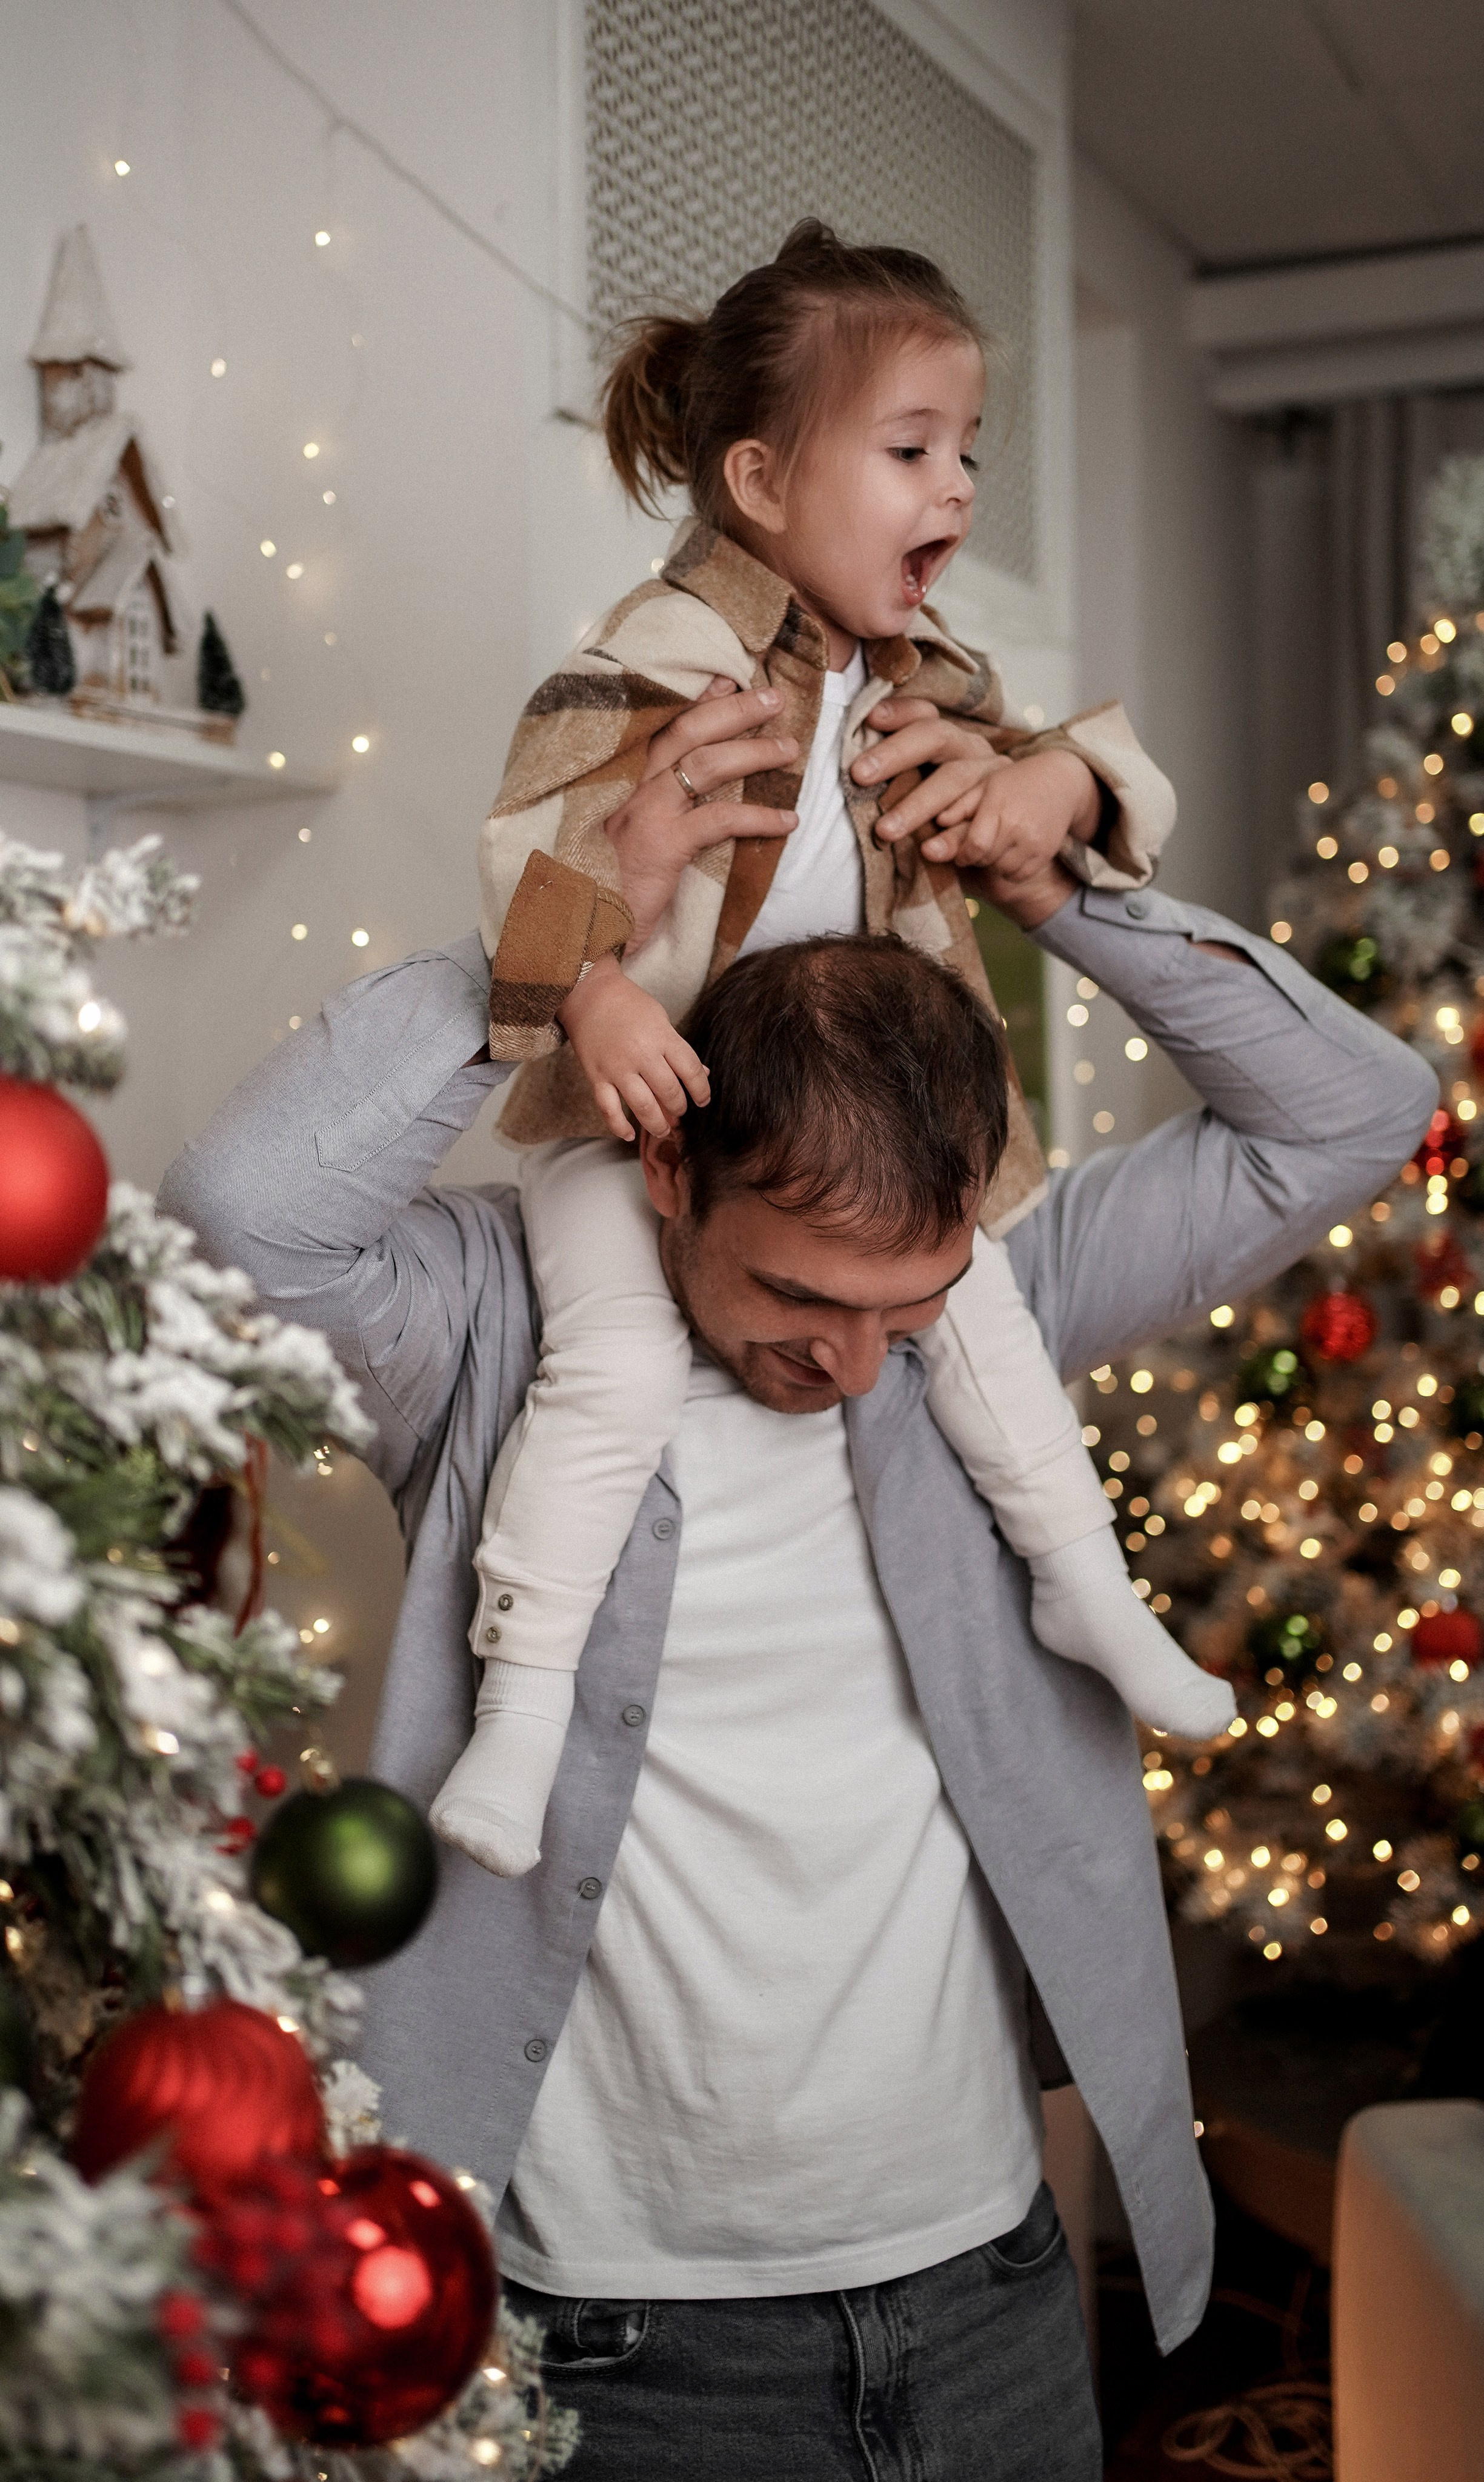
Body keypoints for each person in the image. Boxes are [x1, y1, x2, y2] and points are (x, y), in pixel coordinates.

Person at [159, 831, 1435, 2480]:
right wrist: (555, 939)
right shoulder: (492, 1322)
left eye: (901, 1315)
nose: (847, 1367)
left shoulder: (1003, 1314)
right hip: (603, 2336)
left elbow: (1358, 1107)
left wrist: (1057, 892)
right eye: (796, 1298)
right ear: (669, 1167)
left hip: (988, 2290)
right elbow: (230, 1225)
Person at [440, 222, 1230, 1883]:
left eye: (965, 454)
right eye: (908, 450)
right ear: (760, 478)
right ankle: (520, 1700)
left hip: (859, 1126)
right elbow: (528, 853)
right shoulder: (659, 659)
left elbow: (1102, 780)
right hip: (645, 1113)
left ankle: (1085, 1590)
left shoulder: (926, 681)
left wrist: (1055, 796)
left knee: (983, 1317)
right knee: (615, 1369)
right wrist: (595, 991)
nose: (952, 490)